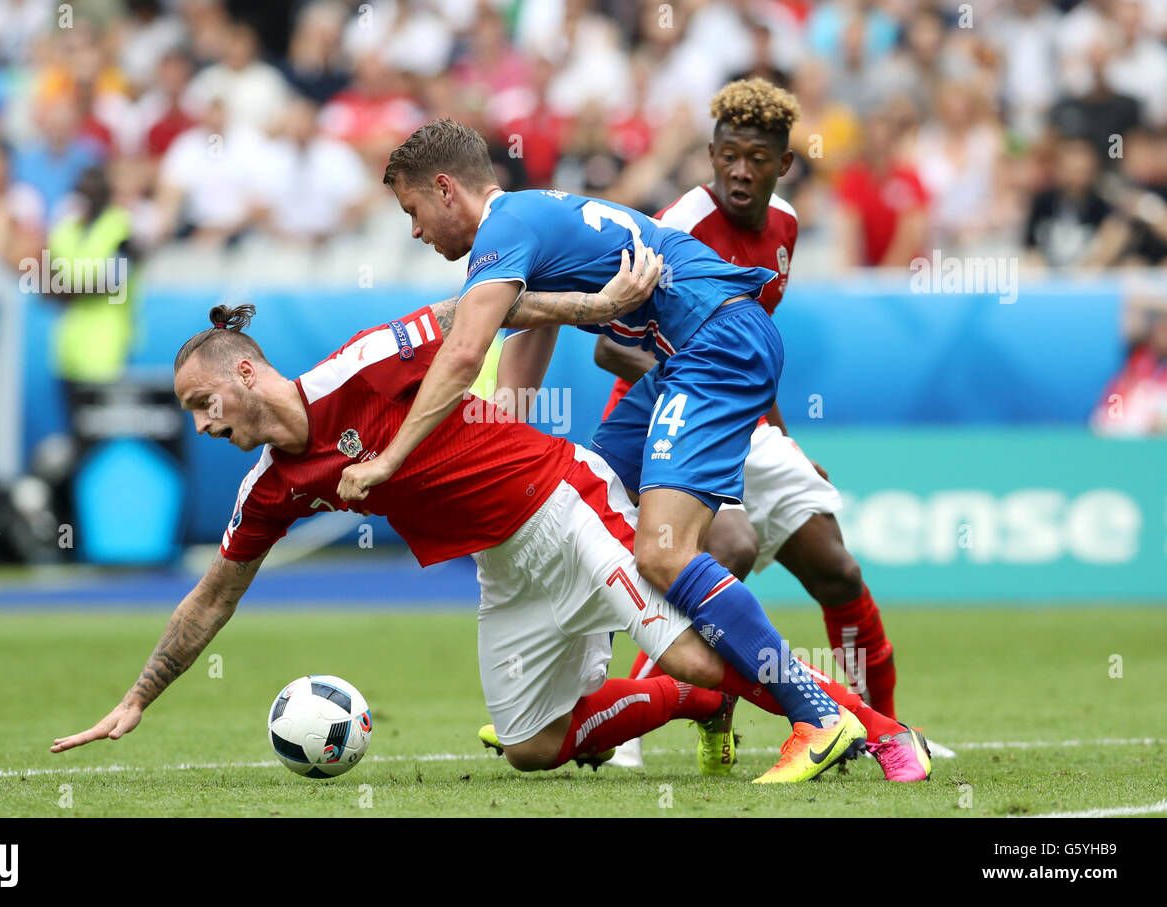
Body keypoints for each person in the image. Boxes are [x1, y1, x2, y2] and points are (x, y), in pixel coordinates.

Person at [51, 295, 923, 783]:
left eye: (203, 403)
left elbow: (494, 305)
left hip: (565, 502)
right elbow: (212, 597)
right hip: (507, 569)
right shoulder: (269, 488)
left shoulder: (365, 363)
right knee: (531, 746)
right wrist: (138, 695)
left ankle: (879, 731)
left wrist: (599, 304)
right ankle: (703, 705)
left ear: (245, 371)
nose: (201, 426)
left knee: (698, 653)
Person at [336, 118, 894, 783]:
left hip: (711, 345)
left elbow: (462, 353)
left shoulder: (504, 229)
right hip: (689, 354)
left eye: (414, 211)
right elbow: (520, 368)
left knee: (662, 551)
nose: (416, 231)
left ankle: (825, 717)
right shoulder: (529, 223)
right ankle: (577, 691)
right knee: (597, 492)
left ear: (447, 189)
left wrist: (390, 458)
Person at [568, 79, 901, 768]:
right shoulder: (676, 228)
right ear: (711, 154)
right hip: (667, 415)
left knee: (837, 569)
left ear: (784, 163)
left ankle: (884, 731)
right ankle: (630, 713)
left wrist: (788, 441)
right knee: (725, 550)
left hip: (744, 421)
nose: (740, 170)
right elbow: (608, 343)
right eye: (728, 155)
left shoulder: (785, 227)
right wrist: (697, 388)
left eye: (757, 156)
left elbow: (749, 348)